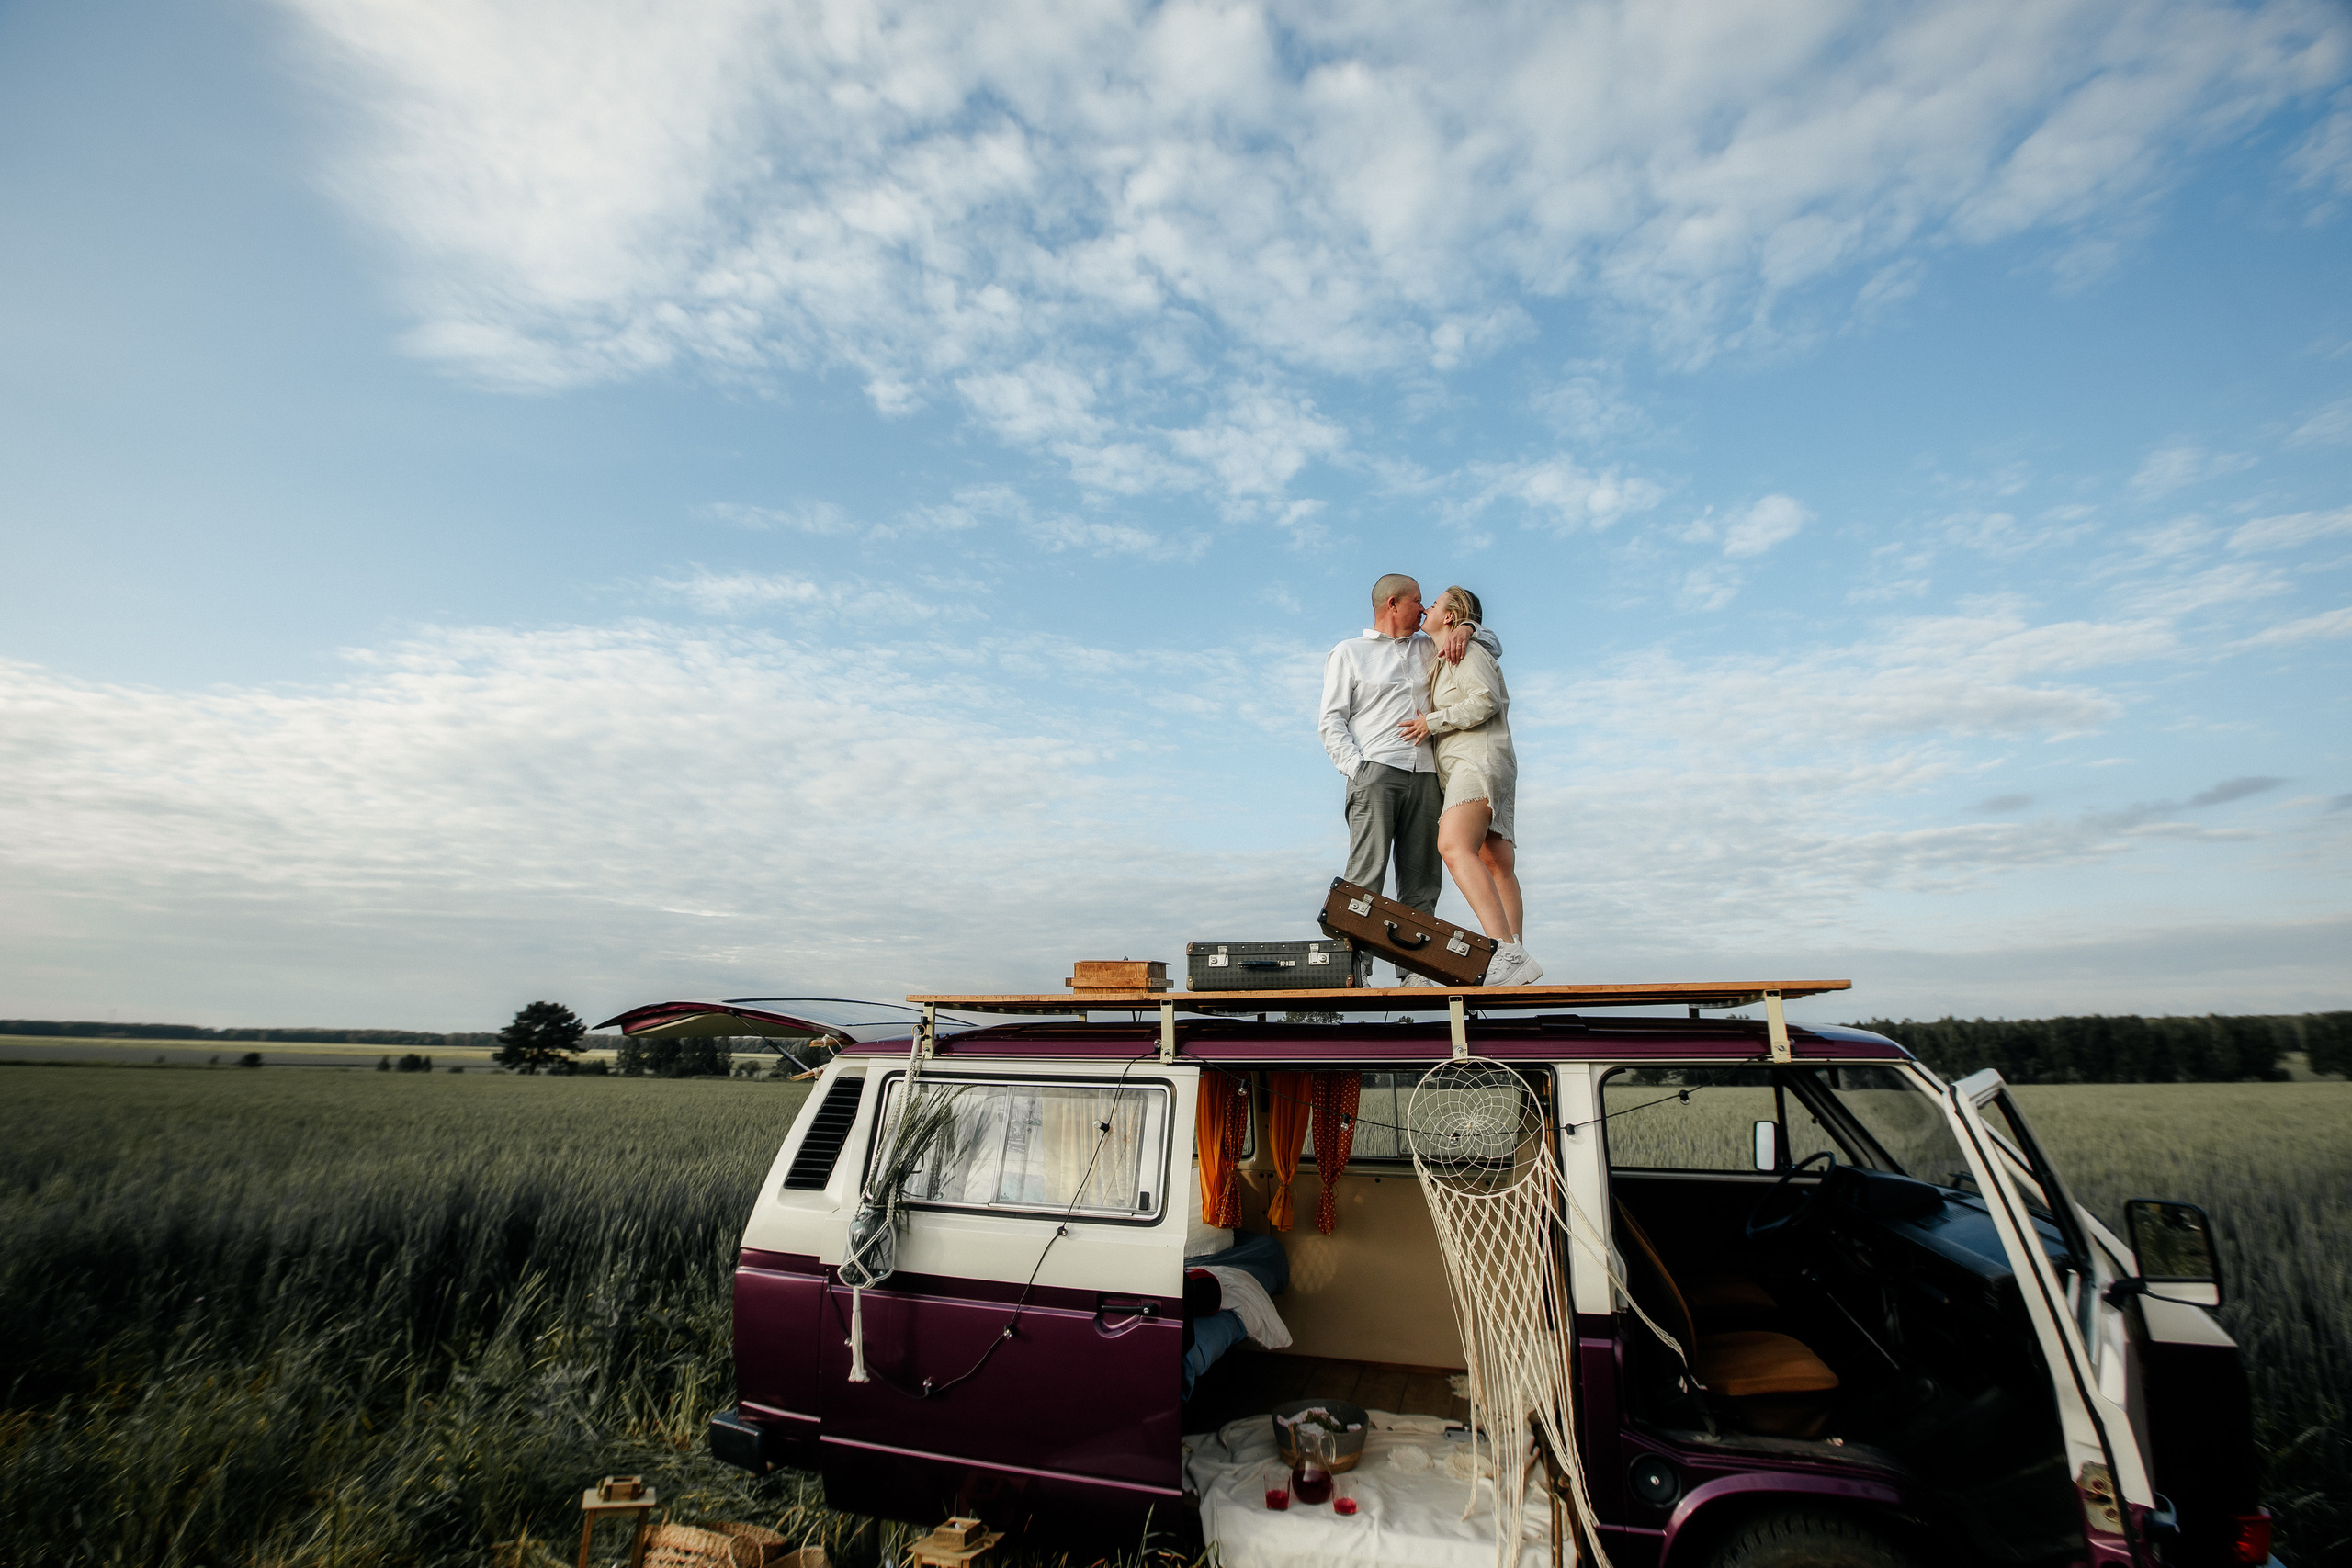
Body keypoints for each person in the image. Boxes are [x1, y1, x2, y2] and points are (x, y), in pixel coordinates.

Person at [1317, 573, 1499, 985]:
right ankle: (1354, 968)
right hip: (1376, 772)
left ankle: (1413, 971)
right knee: (1365, 878)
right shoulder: (1349, 652)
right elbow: (1331, 720)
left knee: (1422, 882)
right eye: (1418, 601)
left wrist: (1468, 627)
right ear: (1393, 604)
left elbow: (1492, 643)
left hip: (1429, 776)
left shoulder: (1430, 645)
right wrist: (1357, 769)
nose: (1424, 608)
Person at [1398, 586, 1543, 986]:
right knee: (1496, 862)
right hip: (1486, 760)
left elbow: (1485, 700)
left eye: (1436, 603)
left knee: (1452, 845)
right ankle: (1516, 956)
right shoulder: (1452, 652)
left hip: (1475, 760)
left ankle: (1504, 949)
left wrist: (1432, 721)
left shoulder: (1467, 651)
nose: (1427, 606)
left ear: (1450, 616)